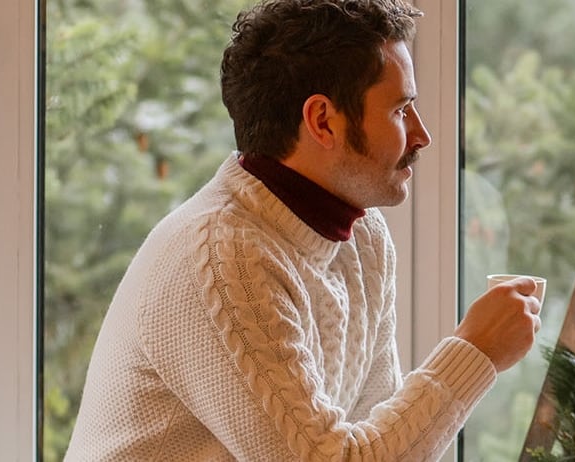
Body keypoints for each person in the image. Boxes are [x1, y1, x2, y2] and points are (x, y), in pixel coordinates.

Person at [65, 1, 541, 460]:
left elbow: (385, 438)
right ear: (321, 120)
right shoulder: (222, 254)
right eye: (400, 110)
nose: (422, 135)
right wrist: (473, 354)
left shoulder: (364, 237)